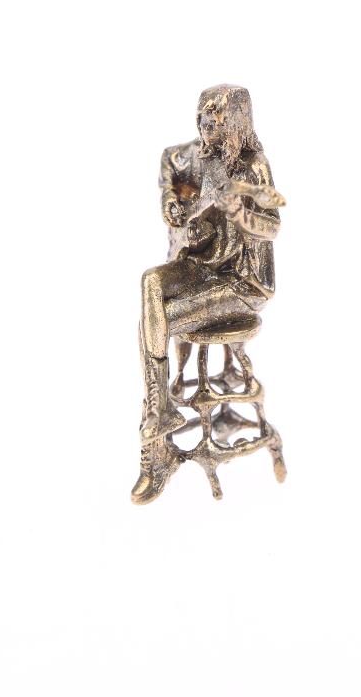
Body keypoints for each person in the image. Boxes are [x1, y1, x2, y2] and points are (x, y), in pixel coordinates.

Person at [131, 84, 282, 505]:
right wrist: (172, 200)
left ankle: (156, 449)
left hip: (242, 283)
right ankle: (160, 410)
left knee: (154, 322)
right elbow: (170, 159)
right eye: (202, 122)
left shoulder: (253, 166)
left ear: (235, 125)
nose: (206, 131)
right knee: (151, 281)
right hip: (204, 266)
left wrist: (242, 214)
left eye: (215, 124)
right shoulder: (200, 155)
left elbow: (273, 226)